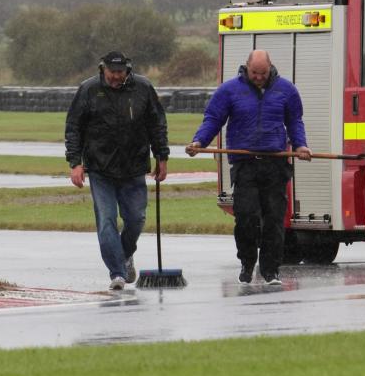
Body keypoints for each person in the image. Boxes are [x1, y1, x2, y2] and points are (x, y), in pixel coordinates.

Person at [186, 50, 311, 286]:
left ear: (270, 68)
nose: (259, 77)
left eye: (263, 73)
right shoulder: (229, 90)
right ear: (246, 68)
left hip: (275, 162)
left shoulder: (287, 90)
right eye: (255, 73)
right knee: (246, 217)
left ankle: (271, 270)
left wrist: (301, 145)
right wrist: (199, 141)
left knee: (274, 219)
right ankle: (246, 261)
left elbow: (295, 121)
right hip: (244, 164)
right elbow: (213, 118)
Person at [64, 51, 169, 291]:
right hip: (100, 169)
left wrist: (162, 156)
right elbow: (73, 128)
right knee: (107, 221)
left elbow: (157, 123)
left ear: (127, 71)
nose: (116, 77)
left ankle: (125, 253)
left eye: (121, 73)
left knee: (136, 219)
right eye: (113, 73)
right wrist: (75, 163)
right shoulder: (89, 90)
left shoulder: (143, 87)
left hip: (134, 168)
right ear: (103, 69)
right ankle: (118, 273)